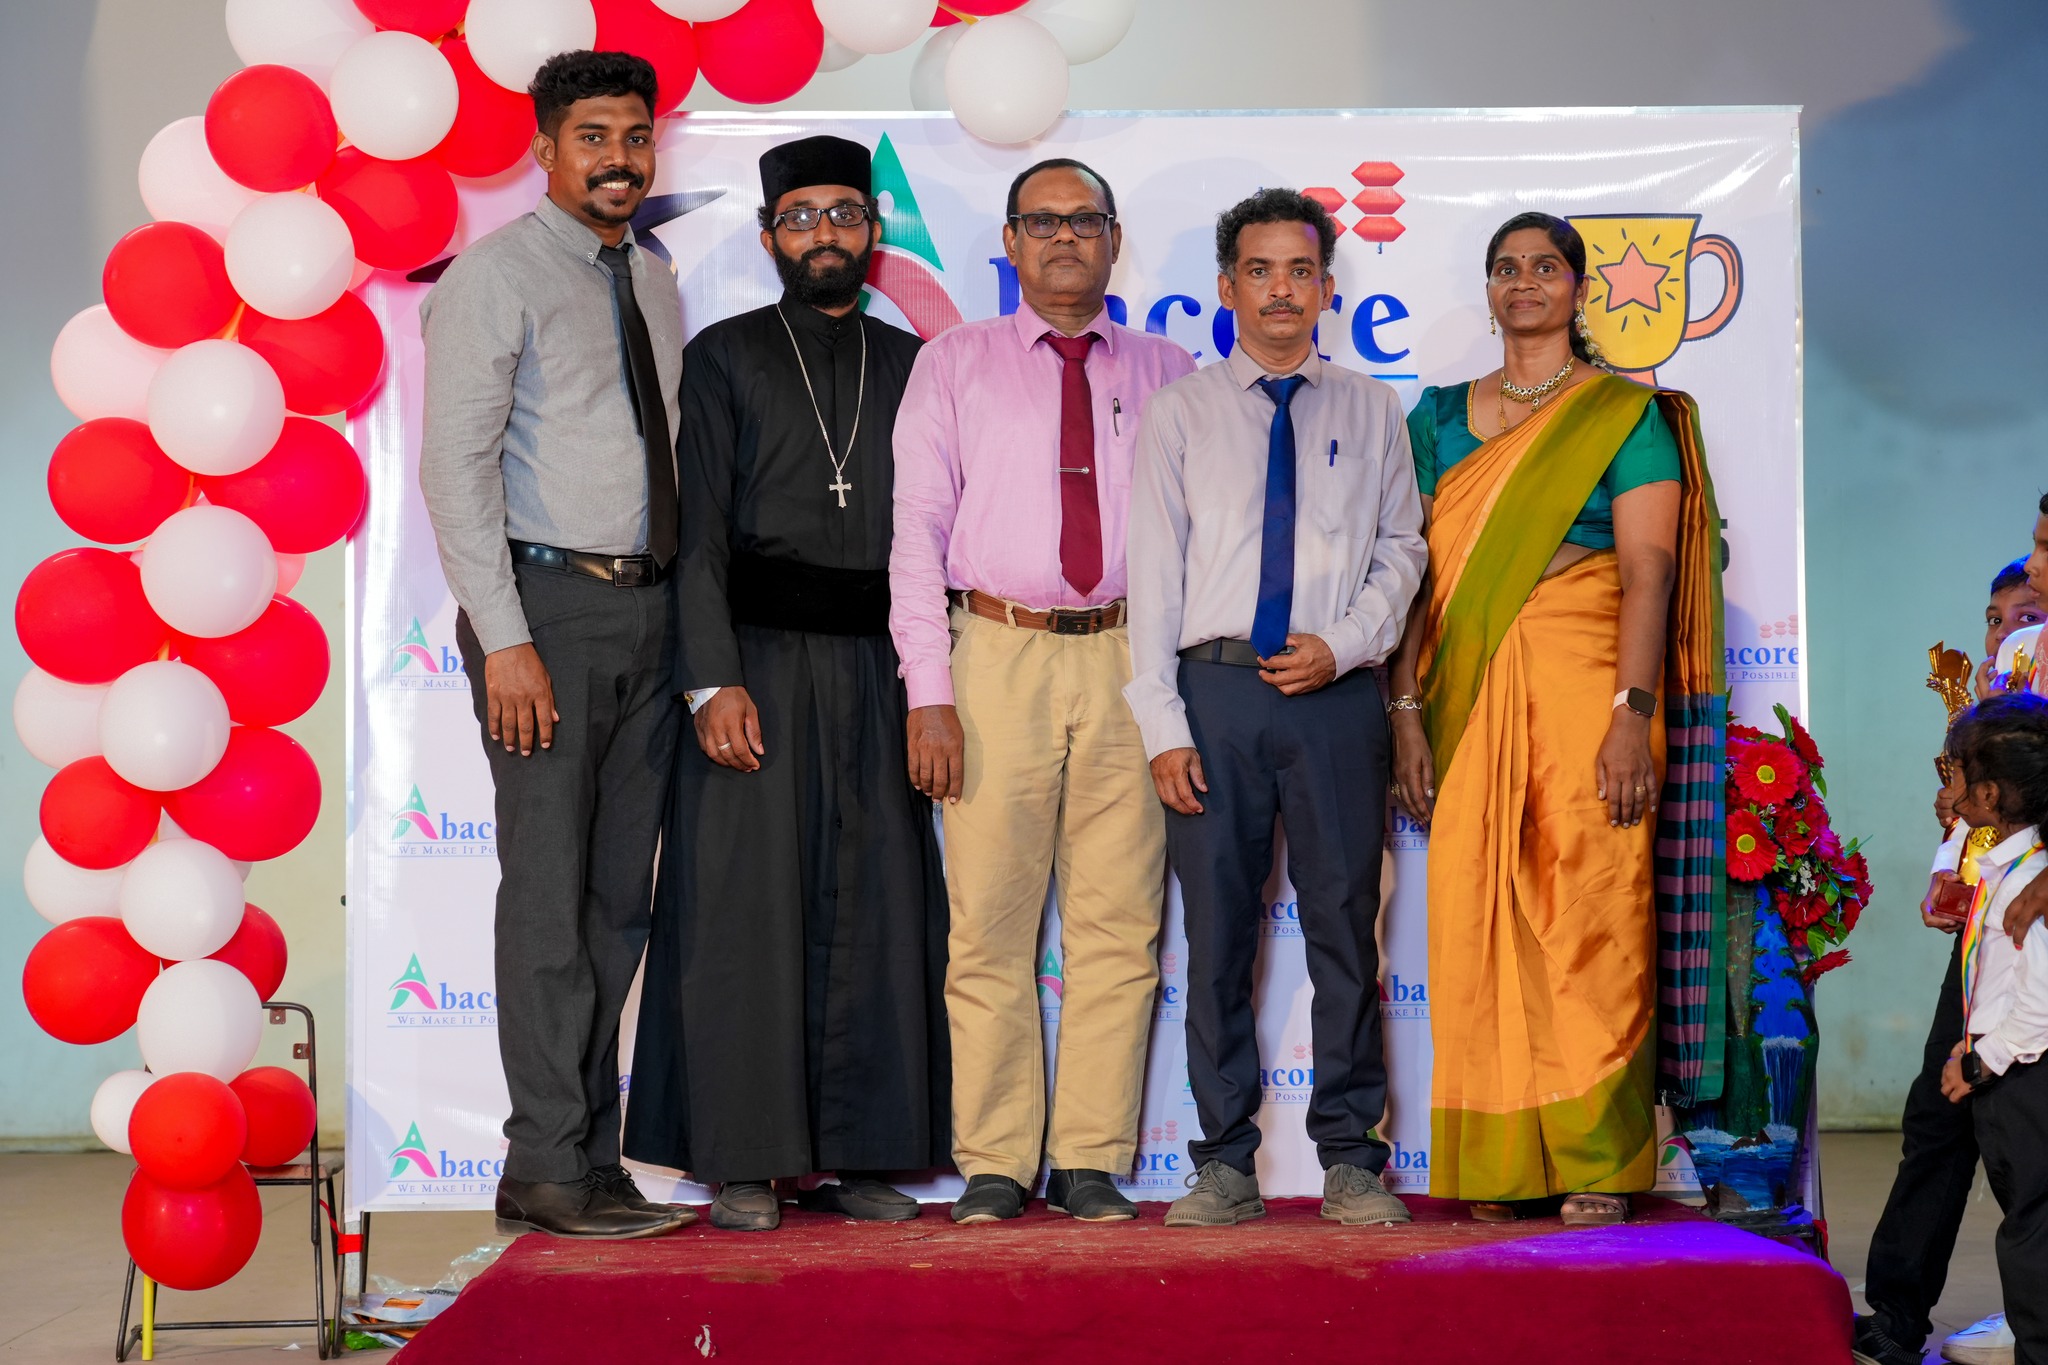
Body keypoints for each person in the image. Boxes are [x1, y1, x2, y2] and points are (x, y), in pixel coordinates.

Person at [623, 135, 948, 1232]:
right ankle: (745, 1160)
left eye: (843, 213)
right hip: (755, 661)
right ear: (768, 237)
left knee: (878, 900)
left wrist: (930, 684)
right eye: (800, 216)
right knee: (744, 908)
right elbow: (696, 533)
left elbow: (936, 531)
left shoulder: (914, 363)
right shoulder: (724, 356)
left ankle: (863, 1153)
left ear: (873, 231)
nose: (824, 234)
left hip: (878, 665)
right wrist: (710, 679)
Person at [1387, 211, 1726, 1227]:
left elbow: (1649, 570)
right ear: (1488, 289)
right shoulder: (1436, 417)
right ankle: (1499, 1162)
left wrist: (1632, 711)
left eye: (1544, 267)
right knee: (1475, 918)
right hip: (1464, 690)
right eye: (1505, 267)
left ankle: (1596, 1158)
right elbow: (1412, 577)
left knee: (1591, 909)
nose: (1523, 282)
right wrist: (1404, 711)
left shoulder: (1624, 415)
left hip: (1591, 685)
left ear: (1578, 290)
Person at [890, 158, 1195, 1224]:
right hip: (995, 654)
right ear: (1011, 243)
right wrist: (928, 690)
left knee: (1121, 924)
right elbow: (916, 533)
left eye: (1084, 220)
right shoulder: (952, 364)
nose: (1065, 237)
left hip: (1130, 657)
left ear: (1113, 241)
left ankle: (1089, 1160)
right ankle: (994, 1161)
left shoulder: (1169, 370)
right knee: (987, 925)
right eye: (1042, 221)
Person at [417, 50, 689, 1239]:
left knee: (615, 906)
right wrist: (506, 641)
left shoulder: (653, 279)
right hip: (545, 615)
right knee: (546, 902)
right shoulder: (497, 275)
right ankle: (542, 1164)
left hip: (648, 613)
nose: (618, 159)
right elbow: (454, 469)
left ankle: (587, 1158)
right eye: (592, 137)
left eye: (634, 136)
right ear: (545, 149)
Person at [1124, 189, 1425, 1229]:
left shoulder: (1371, 408)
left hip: (1334, 695)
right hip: (1212, 695)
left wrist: (1345, 643)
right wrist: (1163, 724)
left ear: (1326, 288)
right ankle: (1222, 1162)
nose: (1280, 291)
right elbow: (1153, 579)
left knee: (1345, 926)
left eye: (1299, 271)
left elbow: (1402, 551)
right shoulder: (1180, 413)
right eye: (1259, 271)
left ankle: (1350, 1158)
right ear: (1227, 288)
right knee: (1217, 936)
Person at [1860, 550, 2048, 1365]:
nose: (2036, 560)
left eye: (2046, 547)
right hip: (1994, 912)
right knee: (1939, 1117)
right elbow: (1981, 795)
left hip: (2035, 909)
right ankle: (1896, 1313)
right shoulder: (2018, 660)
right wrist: (1955, 856)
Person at [1931, 694, 2048, 1365]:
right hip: (2007, 1065)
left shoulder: (2030, 882)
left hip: (2026, 1078)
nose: (1949, 791)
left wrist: (1983, 1059)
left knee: (2033, 1235)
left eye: (1958, 776)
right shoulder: (2009, 867)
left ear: (1990, 793)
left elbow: (2041, 1000)